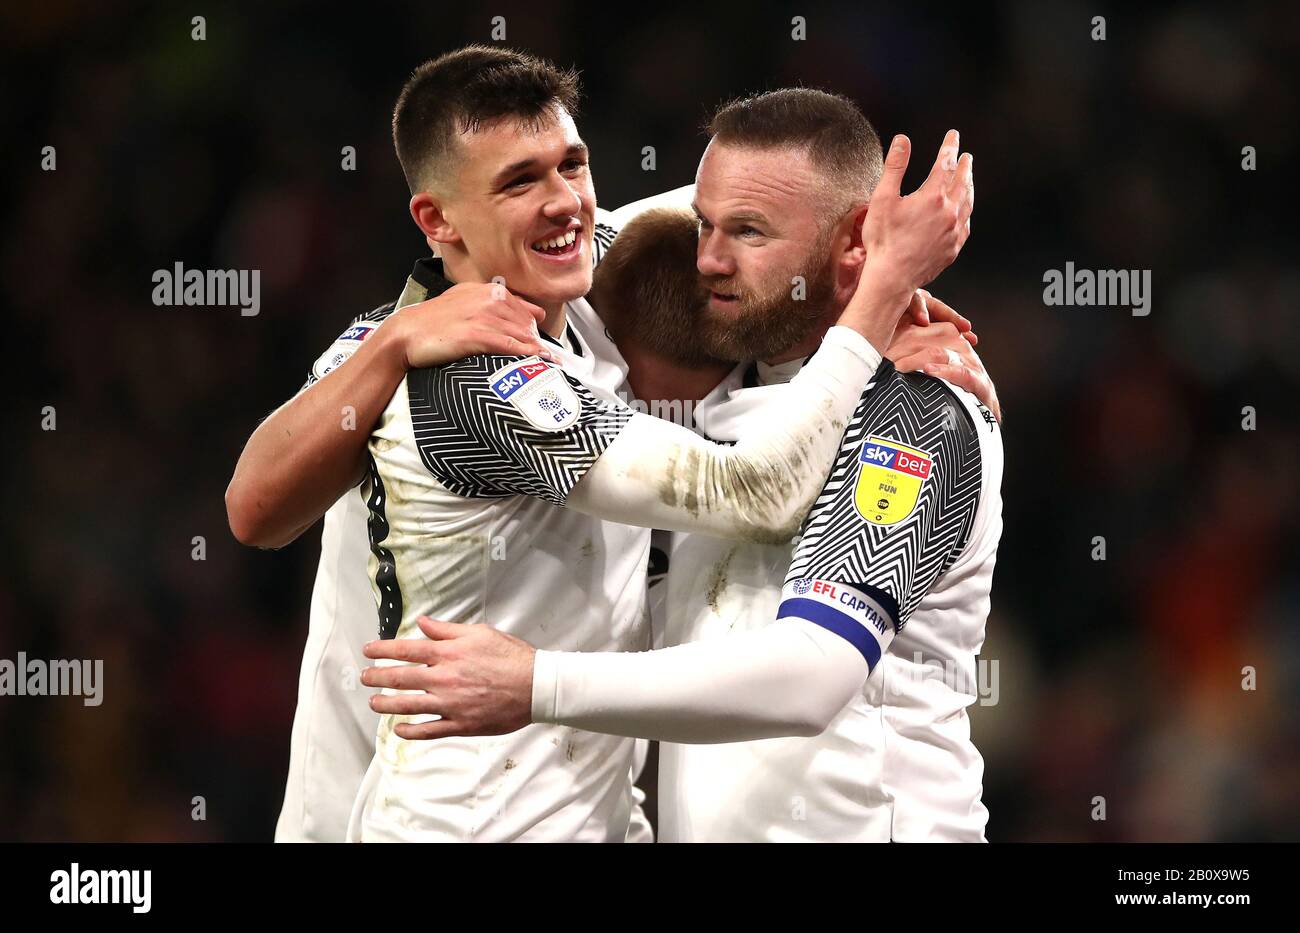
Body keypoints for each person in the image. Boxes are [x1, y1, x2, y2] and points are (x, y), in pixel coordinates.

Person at [226, 50, 975, 841]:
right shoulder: (447, 367)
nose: (563, 202)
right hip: (421, 805)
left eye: (573, 165)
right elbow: (251, 510)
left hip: (587, 814)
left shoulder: (583, 272)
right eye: (519, 181)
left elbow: (761, 201)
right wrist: (878, 292)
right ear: (438, 219)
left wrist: (855, 260)